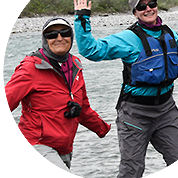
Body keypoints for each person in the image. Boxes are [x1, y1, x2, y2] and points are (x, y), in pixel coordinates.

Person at [74, 0, 178, 178]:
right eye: (142, 7)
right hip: (135, 113)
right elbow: (91, 50)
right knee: (132, 172)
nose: (148, 9)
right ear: (135, 13)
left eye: (152, 4)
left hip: (167, 110)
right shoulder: (128, 38)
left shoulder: (170, 34)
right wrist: (82, 19)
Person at [1, 17, 111, 169]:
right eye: (52, 35)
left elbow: (83, 109)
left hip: (64, 148)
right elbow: (5, 102)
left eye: (64, 33)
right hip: (37, 145)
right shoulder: (30, 68)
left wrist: (104, 129)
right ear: (45, 40)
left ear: (71, 37)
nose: (59, 38)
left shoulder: (75, 66)